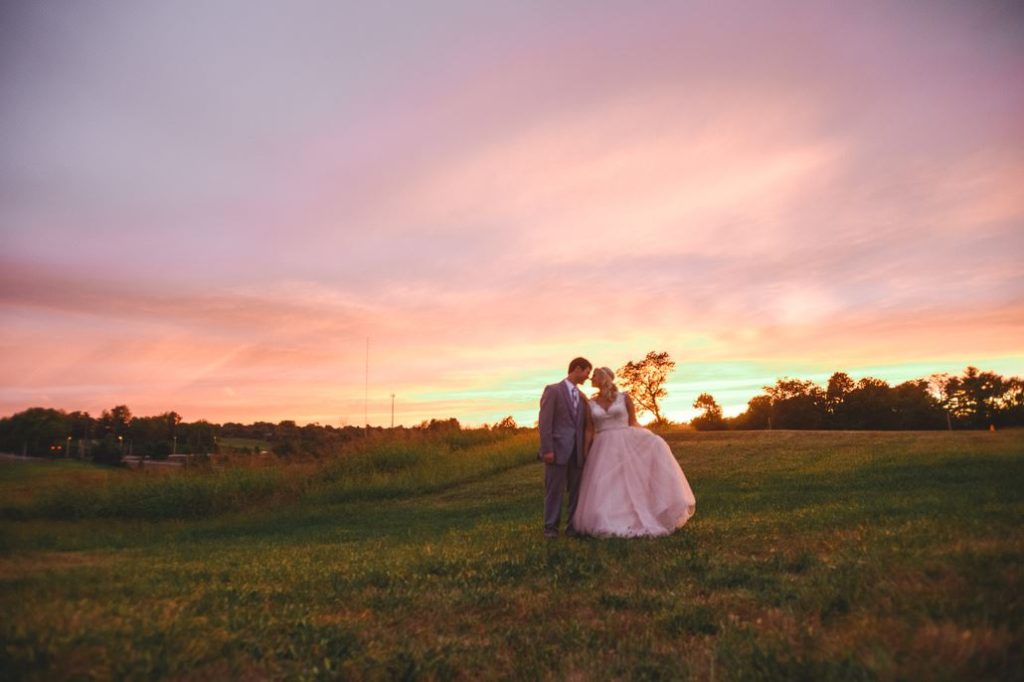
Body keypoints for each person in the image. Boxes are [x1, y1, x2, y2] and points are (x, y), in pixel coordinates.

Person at [573, 366, 696, 537]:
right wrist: (585, 451)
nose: (591, 379)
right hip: (602, 447)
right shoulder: (590, 403)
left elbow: (633, 422)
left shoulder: (624, 398)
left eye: (594, 376)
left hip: (626, 442)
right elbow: (589, 430)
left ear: (603, 378)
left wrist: (651, 438)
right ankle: (605, 517)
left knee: (627, 482)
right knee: (604, 484)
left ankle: (634, 517)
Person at [538, 357, 593, 538]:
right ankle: (550, 528)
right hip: (557, 450)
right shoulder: (553, 390)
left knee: (576, 491)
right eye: (587, 372)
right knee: (554, 490)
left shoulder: (582, 397)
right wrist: (547, 449)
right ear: (577, 369)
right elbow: (545, 422)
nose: (588, 377)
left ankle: (573, 527)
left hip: (577, 452)